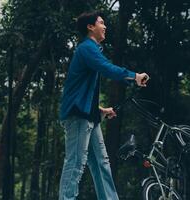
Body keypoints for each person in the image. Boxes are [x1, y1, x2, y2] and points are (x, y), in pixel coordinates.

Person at [59, 11, 149, 200]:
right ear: (90, 27)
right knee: (75, 163)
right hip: (78, 116)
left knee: (101, 163)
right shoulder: (86, 48)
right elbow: (107, 68)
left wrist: (100, 110)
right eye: (101, 22)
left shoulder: (91, 50)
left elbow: (82, 89)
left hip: (89, 115)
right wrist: (134, 76)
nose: (105, 26)